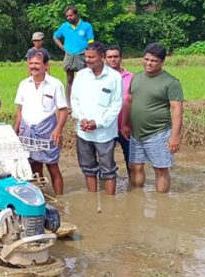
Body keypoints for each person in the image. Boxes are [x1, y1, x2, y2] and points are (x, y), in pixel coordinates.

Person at [122, 43, 184, 193]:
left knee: (161, 170)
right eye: (146, 59)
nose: (149, 63)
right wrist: (124, 124)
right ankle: (137, 198)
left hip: (159, 133)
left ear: (162, 62)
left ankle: (162, 205)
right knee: (135, 167)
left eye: (154, 61)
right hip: (136, 133)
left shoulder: (171, 82)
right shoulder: (136, 77)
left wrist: (175, 137)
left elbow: (177, 110)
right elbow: (129, 101)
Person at [14, 49, 68, 195]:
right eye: (31, 63)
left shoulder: (55, 84)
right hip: (27, 131)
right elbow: (20, 109)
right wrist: (16, 129)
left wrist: (58, 129)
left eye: (37, 63)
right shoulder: (24, 84)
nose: (33, 66)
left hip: (47, 130)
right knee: (34, 166)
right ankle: (40, 197)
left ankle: (60, 199)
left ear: (46, 65)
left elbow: (63, 110)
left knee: (52, 166)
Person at [71, 42, 122, 195]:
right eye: (86, 57)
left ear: (102, 57)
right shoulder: (81, 76)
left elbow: (116, 105)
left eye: (92, 57)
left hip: (104, 134)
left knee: (108, 169)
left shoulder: (114, 77)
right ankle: (92, 198)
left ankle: (110, 203)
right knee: (88, 168)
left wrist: (97, 123)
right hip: (83, 131)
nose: (88, 60)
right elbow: (74, 100)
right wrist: (82, 119)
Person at [53, 6, 95, 104]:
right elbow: (55, 36)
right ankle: (68, 104)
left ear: (76, 15)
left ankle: (83, 101)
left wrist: (89, 53)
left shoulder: (86, 26)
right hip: (69, 55)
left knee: (84, 79)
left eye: (70, 15)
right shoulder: (64, 26)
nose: (68, 18)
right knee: (69, 79)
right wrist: (61, 47)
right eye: (67, 16)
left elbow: (91, 42)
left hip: (82, 54)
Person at [105, 44, 133, 178]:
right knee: (106, 162)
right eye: (109, 57)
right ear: (104, 59)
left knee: (132, 161)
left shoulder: (131, 78)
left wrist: (128, 124)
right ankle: (107, 191)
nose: (113, 59)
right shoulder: (100, 78)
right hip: (106, 127)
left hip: (127, 127)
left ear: (121, 58)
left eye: (116, 56)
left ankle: (134, 190)